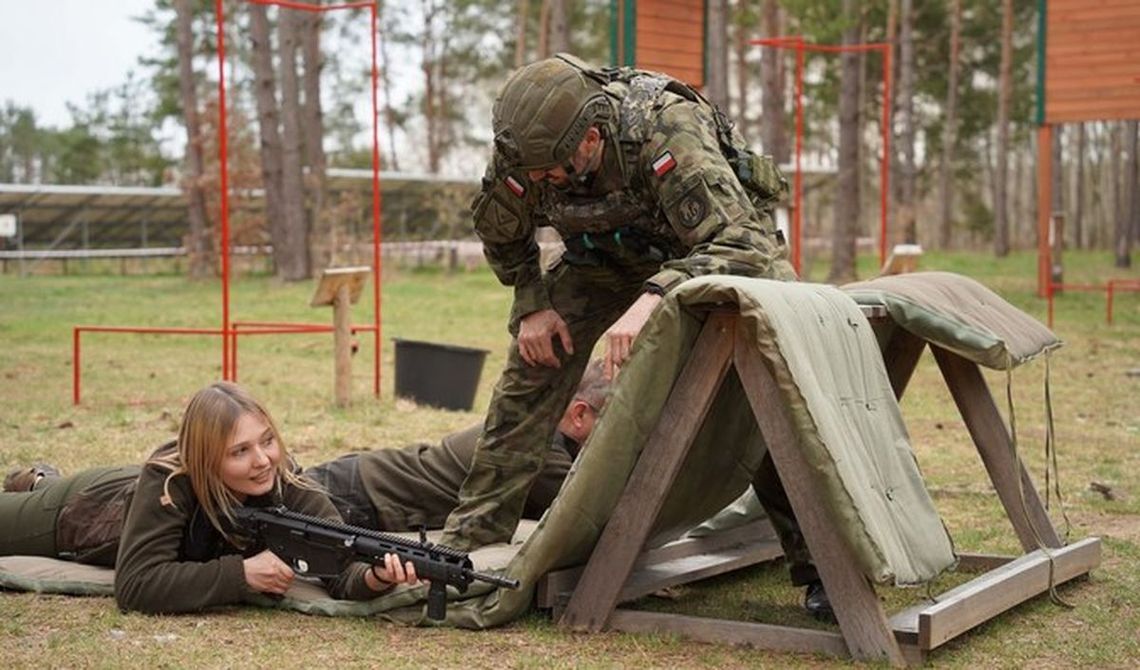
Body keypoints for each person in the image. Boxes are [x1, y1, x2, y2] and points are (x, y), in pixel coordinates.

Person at [440, 53, 831, 620]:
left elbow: (744, 241)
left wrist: (656, 297)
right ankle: (473, 536)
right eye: (535, 174)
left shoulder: (665, 128)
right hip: (601, 261)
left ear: (593, 138)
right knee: (532, 368)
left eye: (555, 170)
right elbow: (502, 231)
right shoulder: (522, 151)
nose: (544, 181)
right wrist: (531, 304)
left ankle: (819, 565)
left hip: (709, 257)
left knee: (766, 388)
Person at [0, 382, 420, 614]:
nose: (262, 461)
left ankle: (39, 477)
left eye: (268, 441)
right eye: (240, 451)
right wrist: (241, 574)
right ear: (205, 459)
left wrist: (375, 577)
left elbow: (341, 570)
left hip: (129, 491)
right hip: (84, 511)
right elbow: (136, 586)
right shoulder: (168, 481)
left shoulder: (286, 482)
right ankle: (40, 482)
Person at [304, 358, 610, 532]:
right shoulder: (537, 452)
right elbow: (594, 515)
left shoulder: (538, 431)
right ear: (579, 414)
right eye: (612, 421)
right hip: (355, 495)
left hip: (363, 487)